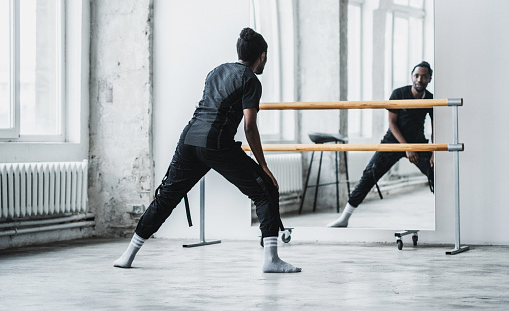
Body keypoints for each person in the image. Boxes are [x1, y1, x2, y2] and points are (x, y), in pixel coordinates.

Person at [114, 28, 301, 273]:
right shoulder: (251, 81)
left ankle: (128, 255)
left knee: (166, 197)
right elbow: (249, 127)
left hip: (189, 140)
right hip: (216, 144)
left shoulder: (216, 71)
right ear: (262, 56)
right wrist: (263, 166)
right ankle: (271, 260)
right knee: (266, 190)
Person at [327, 61, 434, 228]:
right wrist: (406, 147)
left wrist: (434, 152)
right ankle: (345, 217)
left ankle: (446, 217)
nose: (420, 79)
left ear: (429, 79)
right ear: (412, 77)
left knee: (437, 174)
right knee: (370, 174)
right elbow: (392, 123)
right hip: (393, 140)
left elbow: (438, 127)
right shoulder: (398, 93)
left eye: (424, 76)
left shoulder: (431, 99)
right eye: (417, 75)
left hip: (418, 142)